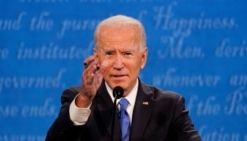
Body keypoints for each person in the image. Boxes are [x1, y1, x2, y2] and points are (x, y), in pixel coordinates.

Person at [46, 15, 202, 141]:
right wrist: (85, 99)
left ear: (142, 58)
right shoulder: (79, 100)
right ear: (97, 57)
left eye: (127, 54)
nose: (118, 64)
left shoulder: (168, 106)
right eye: (109, 54)